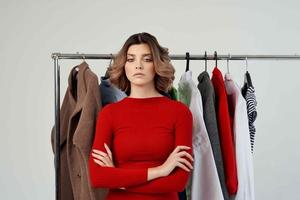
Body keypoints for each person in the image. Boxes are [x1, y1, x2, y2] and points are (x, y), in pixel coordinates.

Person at [89, 32, 194, 200]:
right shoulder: (109, 114)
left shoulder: (180, 113)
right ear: (124, 65)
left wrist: (120, 180)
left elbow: (178, 182)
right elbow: (98, 177)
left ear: (157, 64)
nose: (138, 66)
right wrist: (160, 171)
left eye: (147, 59)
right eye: (131, 59)